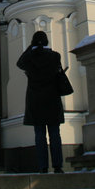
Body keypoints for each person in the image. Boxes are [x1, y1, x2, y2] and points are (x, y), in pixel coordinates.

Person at [16, 31, 64, 173]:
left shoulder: (30, 58)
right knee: (55, 134)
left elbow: (19, 63)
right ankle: (58, 166)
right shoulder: (55, 56)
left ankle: (43, 166)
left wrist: (31, 48)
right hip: (52, 100)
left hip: (36, 102)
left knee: (40, 135)